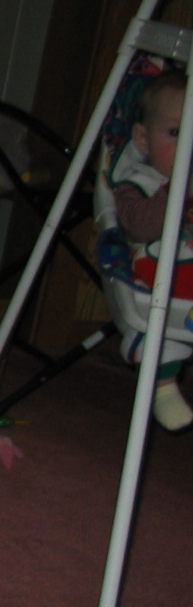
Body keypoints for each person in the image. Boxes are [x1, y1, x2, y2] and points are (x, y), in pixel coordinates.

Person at [111, 67, 193, 431]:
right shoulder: (139, 182)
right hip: (156, 281)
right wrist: (176, 190)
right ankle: (163, 387)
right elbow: (139, 226)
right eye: (176, 133)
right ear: (143, 140)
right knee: (157, 336)